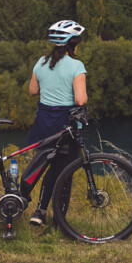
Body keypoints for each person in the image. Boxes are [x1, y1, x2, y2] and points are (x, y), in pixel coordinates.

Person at [26, 20, 87, 227]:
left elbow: (33, 91)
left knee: (49, 168)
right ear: (72, 43)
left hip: (43, 123)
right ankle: (59, 221)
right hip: (65, 125)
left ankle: (40, 212)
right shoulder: (76, 66)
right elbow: (80, 100)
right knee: (65, 173)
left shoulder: (41, 62)